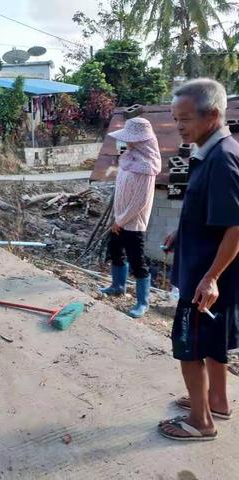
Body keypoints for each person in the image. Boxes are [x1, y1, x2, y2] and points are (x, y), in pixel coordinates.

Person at [158, 78, 239, 441]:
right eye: (176, 119)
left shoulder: (223, 158)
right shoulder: (209, 150)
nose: (179, 127)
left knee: (188, 347)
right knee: (211, 342)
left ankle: (200, 421)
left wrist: (211, 278)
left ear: (214, 115)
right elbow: (211, 211)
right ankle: (217, 401)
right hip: (207, 268)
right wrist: (182, 231)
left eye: (186, 119)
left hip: (205, 279)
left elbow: (236, 226)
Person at [100, 117, 161, 318]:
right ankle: (118, 286)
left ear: (141, 141)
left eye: (130, 140)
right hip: (120, 219)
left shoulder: (147, 167)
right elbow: (122, 191)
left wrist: (121, 221)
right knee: (115, 250)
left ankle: (142, 302)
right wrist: (117, 218)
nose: (127, 143)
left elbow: (139, 201)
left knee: (138, 262)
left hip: (133, 223)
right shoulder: (129, 158)